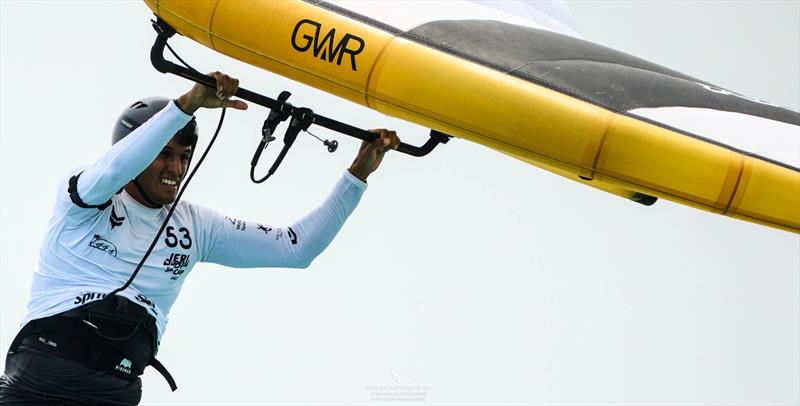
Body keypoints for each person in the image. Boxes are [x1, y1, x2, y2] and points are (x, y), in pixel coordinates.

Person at [0, 72, 400, 405]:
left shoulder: (195, 226)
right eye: (164, 153)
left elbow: (296, 247)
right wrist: (185, 105)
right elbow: (113, 170)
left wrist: (357, 176)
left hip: (115, 390)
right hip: (42, 377)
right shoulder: (85, 197)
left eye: (185, 154)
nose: (177, 166)